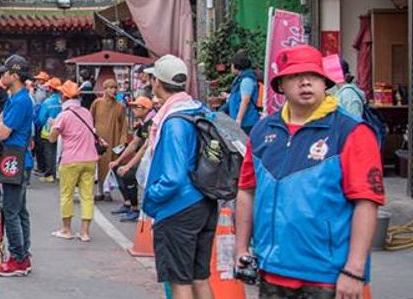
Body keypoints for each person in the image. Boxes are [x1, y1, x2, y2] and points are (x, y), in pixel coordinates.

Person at [235, 44, 383, 299]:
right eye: (295, 76)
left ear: (324, 82)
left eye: (313, 75)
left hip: (327, 277)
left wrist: (354, 271)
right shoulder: (262, 131)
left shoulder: (351, 132)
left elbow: (367, 203)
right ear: (280, 85)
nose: (305, 82)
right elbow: (247, 192)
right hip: (271, 270)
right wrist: (241, 250)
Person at [141, 54, 213, 299]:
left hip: (178, 207)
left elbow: (173, 176)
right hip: (205, 201)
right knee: (199, 278)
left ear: (157, 83)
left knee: (180, 281)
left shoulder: (173, 121)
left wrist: (151, 198)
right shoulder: (197, 109)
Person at [0, 54, 34, 277]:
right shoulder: (14, 98)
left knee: (11, 211)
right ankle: (23, 255)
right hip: (15, 156)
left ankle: (18, 257)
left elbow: (2, 131)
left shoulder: (20, 101)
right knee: (19, 211)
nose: (3, 75)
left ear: (15, 76)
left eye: (6, 72)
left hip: (14, 157)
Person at [48, 80, 98, 242]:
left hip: (71, 160)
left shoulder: (64, 115)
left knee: (67, 195)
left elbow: (51, 139)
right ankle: (85, 233)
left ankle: (66, 229)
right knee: (87, 196)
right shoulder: (86, 112)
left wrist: (53, 125)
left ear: (63, 97)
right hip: (90, 159)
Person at [109, 97, 154, 222]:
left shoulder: (152, 124)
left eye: (136, 107)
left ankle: (135, 209)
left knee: (128, 175)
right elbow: (134, 144)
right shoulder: (143, 124)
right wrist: (117, 162)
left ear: (145, 109)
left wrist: (128, 166)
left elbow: (144, 148)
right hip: (143, 160)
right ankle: (128, 203)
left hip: (152, 162)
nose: (133, 110)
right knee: (117, 169)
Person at [91, 78, 128, 199]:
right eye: (110, 87)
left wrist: (123, 141)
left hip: (114, 139)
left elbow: (124, 125)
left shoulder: (120, 106)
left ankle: (108, 191)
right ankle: (100, 190)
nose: (113, 90)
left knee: (111, 164)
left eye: (115, 88)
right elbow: (90, 120)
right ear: (104, 89)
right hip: (99, 139)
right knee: (99, 164)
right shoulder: (97, 103)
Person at [35, 78, 63, 182]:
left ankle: (49, 174)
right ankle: (57, 173)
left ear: (51, 89)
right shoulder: (62, 100)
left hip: (48, 131)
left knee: (49, 153)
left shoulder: (47, 102)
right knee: (58, 152)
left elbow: (41, 119)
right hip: (62, 131)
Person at [225, 52, 261, 133]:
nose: (231, 67)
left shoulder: (246, 80)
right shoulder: (241, 79)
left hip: (247, 122)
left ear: (236, 66)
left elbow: (245, 100)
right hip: (243, 121)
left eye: (232, 64)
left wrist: (238, 119)